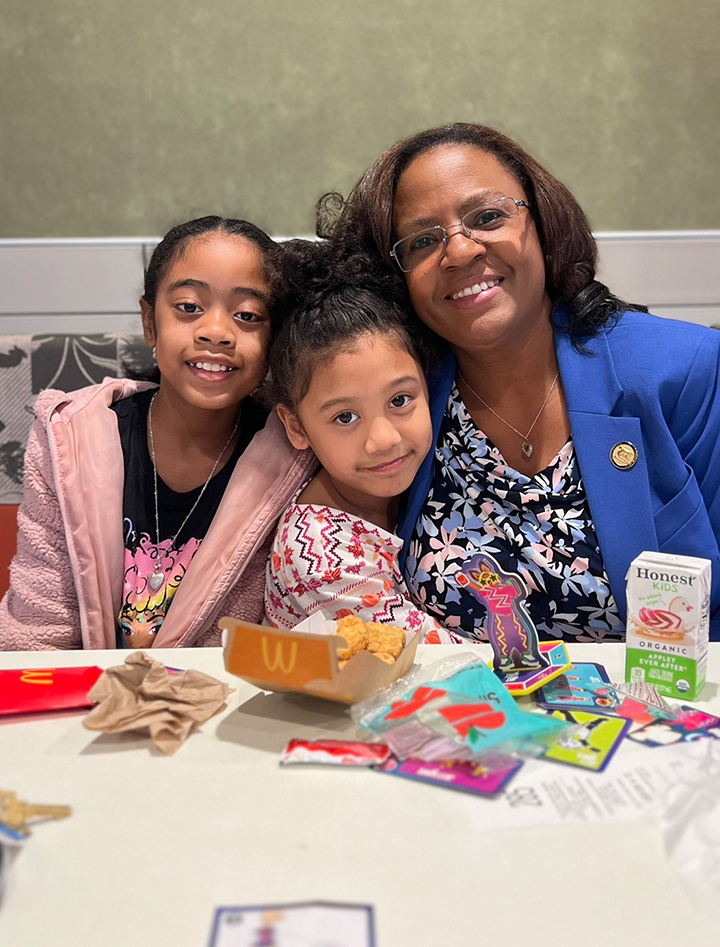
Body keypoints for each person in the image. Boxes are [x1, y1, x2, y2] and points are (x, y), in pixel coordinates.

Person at [318, 123, 720, 640]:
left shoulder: (681, 369)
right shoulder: (395, 399)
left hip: (650, 712)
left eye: (487, 217)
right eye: (422, 241)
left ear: (542, 221)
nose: (460, 252)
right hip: (456, 712)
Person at [0, 217, 313, 650]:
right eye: (189, 307)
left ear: (273, 338)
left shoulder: (294, 458)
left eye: (247, 315)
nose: (216, 332)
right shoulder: (67, 440)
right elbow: (36, 633)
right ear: (150, 323)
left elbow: (265, 642)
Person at [263, 244, 458, 644]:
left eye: (400, 400)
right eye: (345, 417)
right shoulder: (320, 556)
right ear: (296, 426)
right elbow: (444, 662)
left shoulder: (432, 471)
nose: (384, 439)